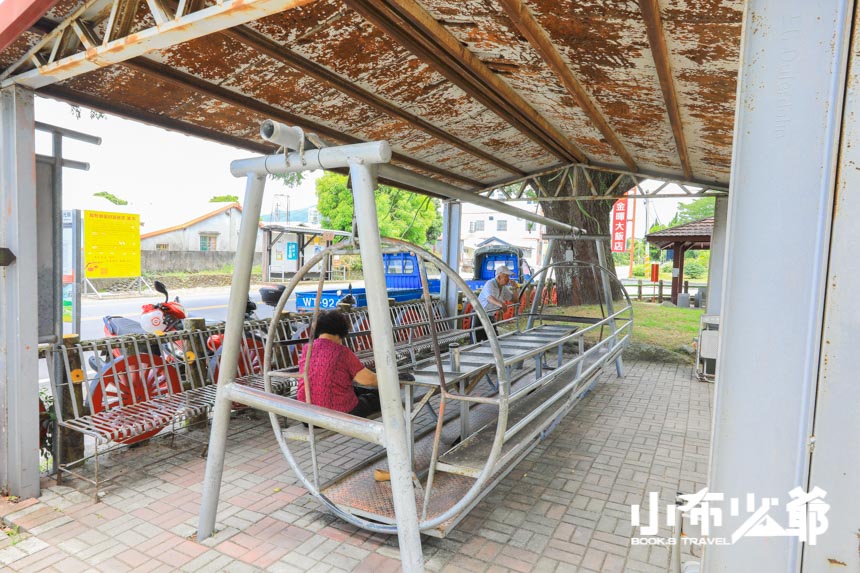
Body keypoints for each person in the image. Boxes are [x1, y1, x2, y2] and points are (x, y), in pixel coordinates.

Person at [296, 309, 380, 418]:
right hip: (337, 414)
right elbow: (368, 380)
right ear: (341, 330)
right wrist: (392, 381)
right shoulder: (342, 352)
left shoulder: (307, 348)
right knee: (374, 398)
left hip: (306, 415)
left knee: (356, 390)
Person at [474, 265, 517, 342]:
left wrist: (515, 288)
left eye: (508, 277)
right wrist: (501, 304)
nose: (508, 279)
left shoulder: (503, 288)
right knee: (477, 341)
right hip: (479, 315)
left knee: (494, 341)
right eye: (506, 277)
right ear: (499, 277)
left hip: (490, 315)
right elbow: (489, 298)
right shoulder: (490, 283)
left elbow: (515, 300)